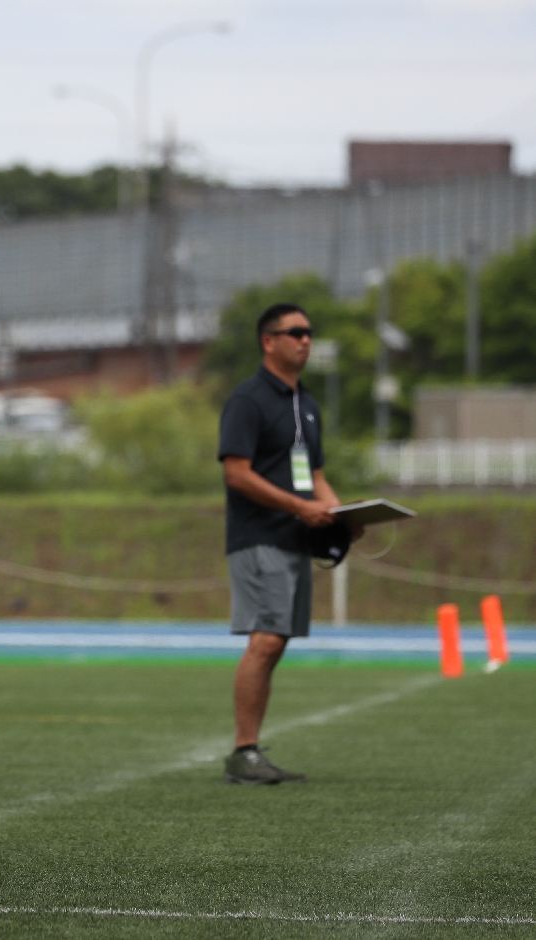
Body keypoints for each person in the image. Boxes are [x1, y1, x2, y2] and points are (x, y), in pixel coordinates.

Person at [218, 302, 342, 785]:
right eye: (295, 333)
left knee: (276, 642)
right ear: (269, 341)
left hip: (295, 539)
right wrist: (298, 507)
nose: (305, 340)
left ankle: (249, 751)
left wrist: (340, 515)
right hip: (259, 536)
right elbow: (236, 474)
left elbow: (313, 475)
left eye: (309, 332)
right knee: (265, 639)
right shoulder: (248, 400)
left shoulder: (306, 404)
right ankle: (243, 751)